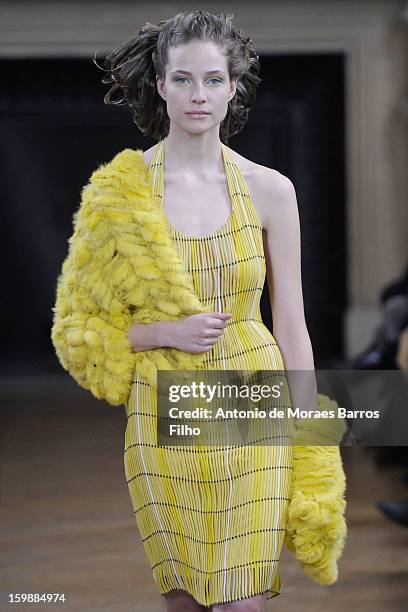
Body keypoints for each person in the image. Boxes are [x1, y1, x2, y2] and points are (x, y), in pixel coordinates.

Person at [53, 10, 323, 611]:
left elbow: (292, 320)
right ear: (159, 86)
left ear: (234, 87)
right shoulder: (120, 192)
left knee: (239, 598)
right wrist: (161, 331)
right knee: (185, 597)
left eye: (212, 80)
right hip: (162, 397)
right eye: (182, 80)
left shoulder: (272, 190)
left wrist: (309, 436)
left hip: (252, 388)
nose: (198, 95)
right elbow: (78, 328)